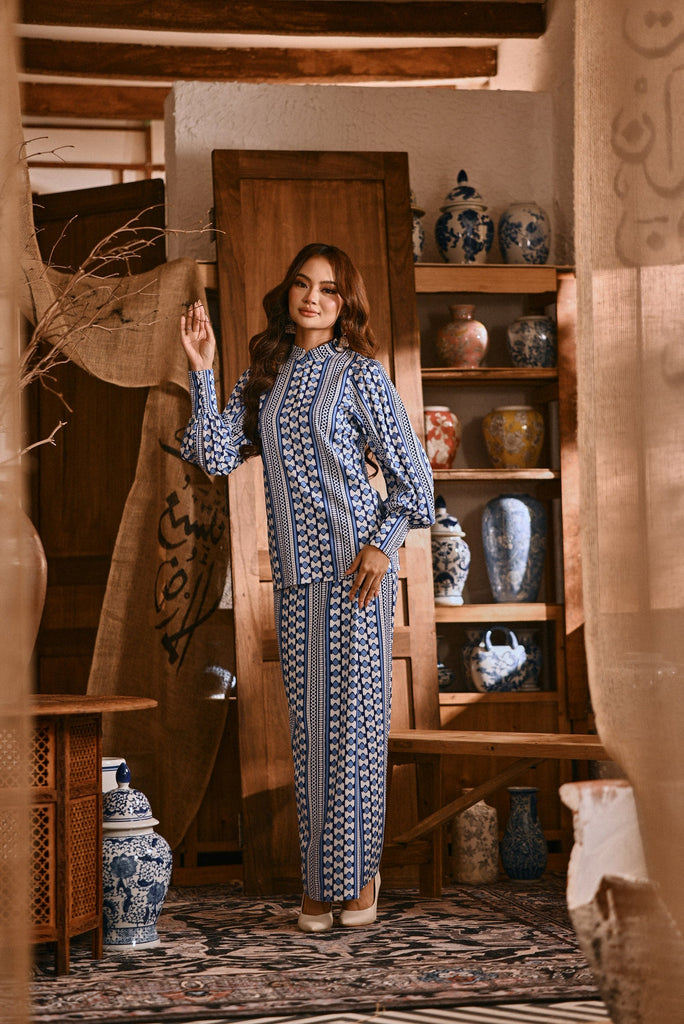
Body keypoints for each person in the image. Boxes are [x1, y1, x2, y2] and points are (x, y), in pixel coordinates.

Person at [179, 242, 434, 932]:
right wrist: (202, 370)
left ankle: (358, 880)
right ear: (288, 293)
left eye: (327, 288)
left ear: (345, 303)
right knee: (312, 734)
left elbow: (416, 483)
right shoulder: (265, 374)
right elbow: (212, 454)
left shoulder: (360, 374)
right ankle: (323, 881)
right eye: (302, 284)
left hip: (357, 574)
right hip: (297, 579)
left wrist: (381, 546)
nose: (312, 297)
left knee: (356, 730)